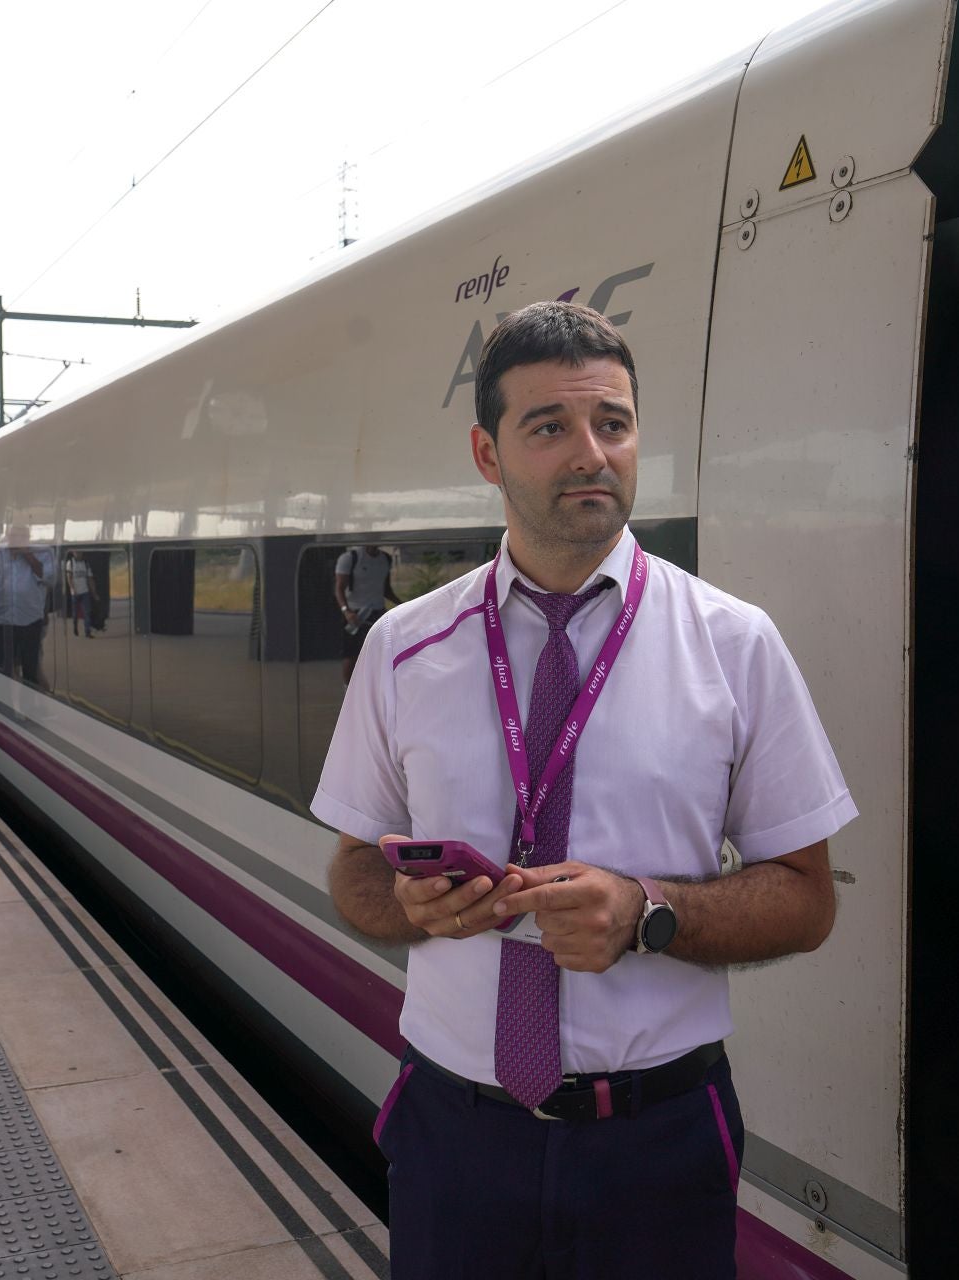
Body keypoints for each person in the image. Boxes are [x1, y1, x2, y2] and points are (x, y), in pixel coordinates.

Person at [314, 302, 856, 1278]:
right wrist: (407, 903)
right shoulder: (404, 650)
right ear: (488, 452)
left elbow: (808, 896)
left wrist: (648, 912)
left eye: (613, 423)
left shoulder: (734, 646)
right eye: (550, 427)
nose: (591, 454)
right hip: (457, 1132)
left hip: (657, 1141)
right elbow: (352, 870)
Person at [0, 526, 54, 683]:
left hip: (30, 623)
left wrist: (27, 554)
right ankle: (0, 705)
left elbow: (49, 578)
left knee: (31, 673)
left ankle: (29, 704)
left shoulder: (43, 552)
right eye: (14, 536)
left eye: (22, 536)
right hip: (0, 623)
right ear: (7, 537)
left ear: (28, 537)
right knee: (0, 672)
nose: (17, 540)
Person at [334, 544, 400, 684]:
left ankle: (376, 686)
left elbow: (386, 589)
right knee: (351, 654)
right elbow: (339, 588)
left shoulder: (385, 559)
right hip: (355, 614)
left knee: (381, 652)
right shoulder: (350, 558)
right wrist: (346, 612)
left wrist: (401, 604)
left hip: (377, 613)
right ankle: (348, 691)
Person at [68, 551, 98, 636]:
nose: (78, 554)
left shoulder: (85, 563)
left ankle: (87, 631)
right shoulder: (70, 563)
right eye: (76, 553)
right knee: (75, 613)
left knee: (87, 612)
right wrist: (73, 589)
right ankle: (75, 626)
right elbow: (69, 578)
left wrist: (94, 593)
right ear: (73, 553)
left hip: (85, 592)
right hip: (75, 593)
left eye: (80, 553)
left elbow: (90, 579)